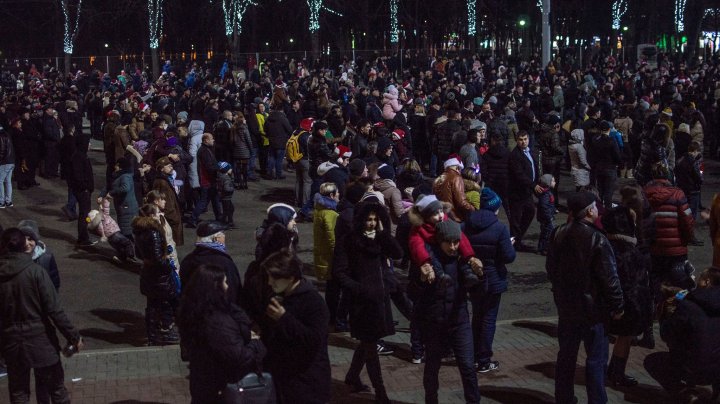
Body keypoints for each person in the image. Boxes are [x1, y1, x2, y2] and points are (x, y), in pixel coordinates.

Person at [546, 191, 624, 404]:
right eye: (595, 206)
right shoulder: (598, 239)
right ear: (590, 211)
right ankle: (597, 400)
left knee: (566, 356)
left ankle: (563, 397)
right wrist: (617, 306)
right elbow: (609, 278)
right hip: (593, 311)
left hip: (567, 307)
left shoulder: (558, 233)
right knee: (596, 360)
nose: (598, 209)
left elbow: (551, 268)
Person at [0, 228, 83, 404]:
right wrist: (73, 336)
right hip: (40, 339)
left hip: (12, 342)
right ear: (24, 245)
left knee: (19, 392)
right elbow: (54, 310)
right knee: (56, 389)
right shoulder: (35, 272)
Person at [334, 201, 403, 403]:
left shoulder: (379, 239)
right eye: (368, 220)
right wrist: (359, 289)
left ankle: (352, 376)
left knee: (367, 344)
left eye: (375, 219)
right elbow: (339, 273)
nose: (372, 224)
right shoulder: (349, 241)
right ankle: (380, 392)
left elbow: (398, 254)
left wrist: (383, 234)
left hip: (380, 301)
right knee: (371, 348)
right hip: (361, 304)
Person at [413, 220, 481, 404]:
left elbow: (478, 289)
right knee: (432, 368)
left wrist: (480, 274)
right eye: (448, 242)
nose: (453, 247)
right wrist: (421, 279)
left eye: (456, 242)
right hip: (435, 323)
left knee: (467, 366)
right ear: (439, 241)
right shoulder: (427, 259)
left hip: (459, 321)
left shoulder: (463, 259)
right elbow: (413, 291)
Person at [177, 264, 266, 404]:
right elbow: (238, 357)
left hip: (202, 382)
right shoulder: (217, 322)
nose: (227, 286)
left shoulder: (194, 311)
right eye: (224, 282)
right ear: (215, 287)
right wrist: (256, 344)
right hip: (219, 386)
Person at [261, 250, 331, 403]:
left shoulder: (313, 302)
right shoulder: (280, 296)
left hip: (307, 384)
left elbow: (313, 340)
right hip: (285, 380)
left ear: (291, 277)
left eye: (274, 278)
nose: (269, 282)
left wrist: (283, 318)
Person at [645, 267, 720, 401]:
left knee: (653, 361)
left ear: (707, 282)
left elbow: (666, 334)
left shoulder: (687, 305)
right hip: (716, 368)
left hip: (696, 369)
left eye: (700, 278)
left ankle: (685, 393)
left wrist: (668, 314)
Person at [463, 188, 516, 373]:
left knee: (476, 316)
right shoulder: (500, 228)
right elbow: (509, 256)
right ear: (494, 207)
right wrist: (509, 244)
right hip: (493, 279)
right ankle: (484, 359)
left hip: (474, 278)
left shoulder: (466, 225)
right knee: (488, 320)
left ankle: (473, 355)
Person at [601, 206, 652, 387]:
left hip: (618, 302)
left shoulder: (609, 244)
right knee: (624, 338)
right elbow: (633, 282)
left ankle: (614, 371)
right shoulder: (627, 250)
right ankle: (616, 374)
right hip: (626, 304)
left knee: (623, 338)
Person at [644, 163, 696, 300]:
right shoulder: (678, 194)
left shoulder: (645, 194)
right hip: (676, 249)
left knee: (656, 280)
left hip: (654, 248)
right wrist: (688, 239)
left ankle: (658, 307)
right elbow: (687, 220)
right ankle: (678, 308)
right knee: (679, 281)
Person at [132, 215, 179, 346]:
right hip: (159, 277)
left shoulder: (139, 232)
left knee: (152, 304)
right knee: (164, 303)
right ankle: (165, 332)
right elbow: (158, 258)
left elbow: (138, 254)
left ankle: (153, 334)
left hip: (148, 274)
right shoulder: (153, 233)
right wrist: (168, 266)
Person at [180, 221, 242, 308]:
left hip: (193, 312)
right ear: (216, 239)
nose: (225, 237)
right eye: (223, 234)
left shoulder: (188, 260)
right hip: (219, 311)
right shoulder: (224, 263)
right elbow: (233, 291)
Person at [508, 131, 540, 252]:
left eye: (525, 139)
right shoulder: (515, 155)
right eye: (521, 139)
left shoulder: (529, 151)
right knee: (516, 219)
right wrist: (533, 185)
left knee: (530, 212)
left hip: (526, 191)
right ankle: (514, 243)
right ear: (517, 140)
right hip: (517, 192)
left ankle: (518, 239)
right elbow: (519, 175)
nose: (523, 142)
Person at [86, 197, 136, 264]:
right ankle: (130, 255)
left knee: (120, 248)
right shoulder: (104, 216)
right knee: (127, 242)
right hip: (115, 234)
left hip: (110, 239)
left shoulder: (95, 226)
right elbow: (105, 208)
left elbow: (101, 213)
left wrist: (100, 206)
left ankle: (121, 258)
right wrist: (106, 199)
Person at [189, 133, 222, 228]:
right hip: (207, 180)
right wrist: (219, 167)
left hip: (209, 180)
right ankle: (193, 219)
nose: (213, 140)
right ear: (206, 140)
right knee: (204, 201)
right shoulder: (204, 151)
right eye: (211, 139)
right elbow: (209, 166)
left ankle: (219, 218)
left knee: (214, 200)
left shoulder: (206, 150)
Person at [17, 220, 60, 291]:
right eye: (23, 239)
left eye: (30, 239)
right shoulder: (12, 257)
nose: (26, 243)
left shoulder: (47, 257)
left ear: (36, 240)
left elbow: (54, 280)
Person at [69, 138, 96, 247]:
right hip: (82, 191)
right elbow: (78, 176)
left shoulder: (81, 155)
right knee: (84, 215)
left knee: (85, 214)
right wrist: (85, 188)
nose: (89, 144)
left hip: (84, 190)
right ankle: (83, 238)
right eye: (88, 142)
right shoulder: (79, 157)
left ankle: (84, 236)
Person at [102, 157, 139, 239]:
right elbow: (109, 186)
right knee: (126, 230)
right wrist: (101, 195)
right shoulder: (119, 175)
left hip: (127, 208)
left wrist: (111, 193)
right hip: (124, 207)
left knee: (127, 231)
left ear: (119, 166)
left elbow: (125, 188)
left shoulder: (125, 176)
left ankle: (130, 250)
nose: (114, 166)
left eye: (116, 165)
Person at [588, 121, 621, 209]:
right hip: (610, 168)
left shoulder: (595, 140)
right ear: (609, 129)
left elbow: (591, 154)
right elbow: (617, 155)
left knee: (601, 189)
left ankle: (600, 208)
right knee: (609, 191)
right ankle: (608, 209)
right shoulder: (611, 141)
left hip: (598, 168)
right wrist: (618, 163)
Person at [151, 157, 184, 246]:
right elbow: (162, 200)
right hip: (170, 215)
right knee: (168, 243)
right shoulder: (161, 182)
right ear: (162, 169)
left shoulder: (167, 179)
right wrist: (173, 216)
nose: (171, 168)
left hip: (171, 213)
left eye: (171, 166)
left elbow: (180, 183)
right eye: (168, 166)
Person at [433, 156, 476, 222]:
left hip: (441, 215)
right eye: (460, 169)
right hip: (454, 217)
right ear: (457, 167)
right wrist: (473, 209)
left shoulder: (438, 178)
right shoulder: (456, 178)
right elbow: (461, 202)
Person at [313, 182, 339, 282]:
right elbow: (331, 237)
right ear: (331, 195)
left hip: (321, 252)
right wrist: (337, 254)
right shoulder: (330, 213)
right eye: (337, 192)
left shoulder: (319, 208)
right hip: (329, 256)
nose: (339, 194)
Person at [536, 174, 556, 256]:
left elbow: (548, 205)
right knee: (548, 233)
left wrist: (554, 209)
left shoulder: (547, 193)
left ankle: (540, 248)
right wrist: (549, 216)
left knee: (544, 233)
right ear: (548, 183)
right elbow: (544, 207)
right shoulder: (546, 194)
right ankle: (545, 249)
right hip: (546, 218)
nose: (555, 182)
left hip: (545, 217)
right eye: (553, 181)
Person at [0, 125, 16, 208]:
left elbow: (2, 150)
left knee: (0, 181)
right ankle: (8, 201)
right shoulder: (7, 134)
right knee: (8, 181)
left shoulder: (1, 136)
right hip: (11, 161)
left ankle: (1, 202)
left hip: (4, 162)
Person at [216, 161, 235, 228]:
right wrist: (232, 188)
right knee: (227, 210)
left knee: (230, 209)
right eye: (230, 168)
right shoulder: (226, 178)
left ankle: (229, 222)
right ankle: (225, 223)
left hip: (225, 197)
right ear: (226, 170)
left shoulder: (221, 176)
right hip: (226, 197)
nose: (231, 169)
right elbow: (227, 188)